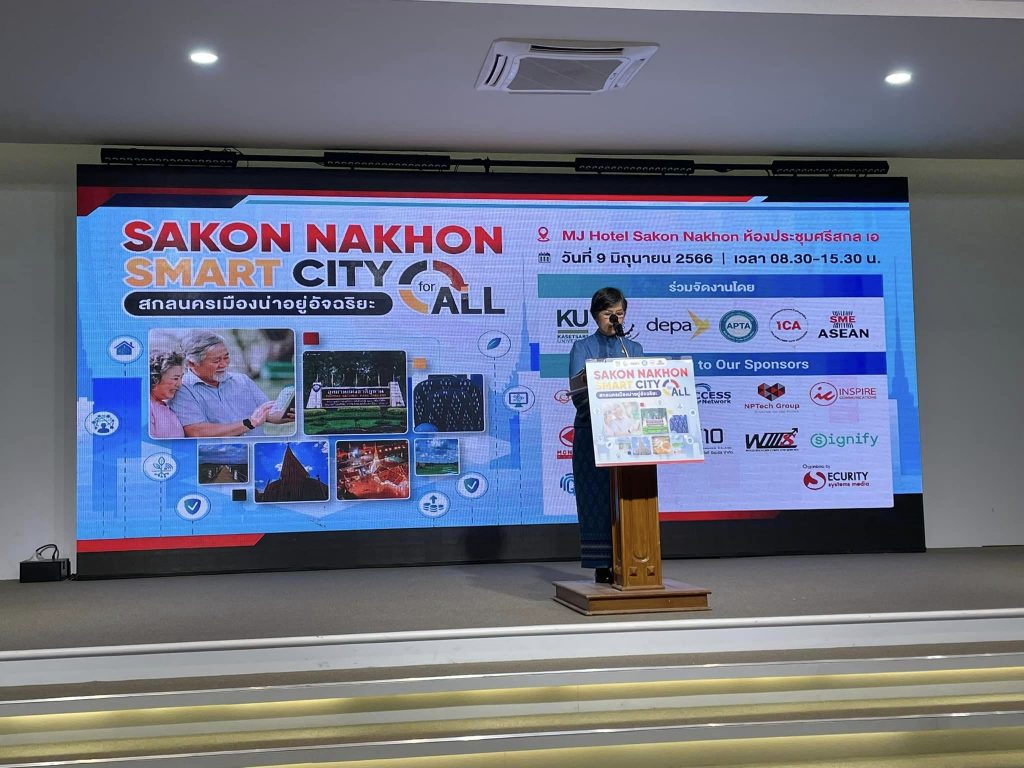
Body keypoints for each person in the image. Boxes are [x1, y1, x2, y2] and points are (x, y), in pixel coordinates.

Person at [568, 287, 643, 584]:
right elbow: (578, 393)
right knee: (596, 497)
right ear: (595, 315)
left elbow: (645, 391)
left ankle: (635, 556)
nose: (614, 319)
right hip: (592, 433)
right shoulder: (582, 347)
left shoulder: (633, 349)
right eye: (607, 313)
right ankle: (602, 562)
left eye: (619, 313)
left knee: (631, 494)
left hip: (632, 436)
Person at [169, 330, 294, 437]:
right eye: (216, 361)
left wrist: (287, 413)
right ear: (192, 363)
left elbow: (266, 414)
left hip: (258, 450)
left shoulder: (242, 380)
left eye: (226, 357)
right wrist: (249, 423)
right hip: (221, 456)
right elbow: (196, 431)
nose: (224, 364)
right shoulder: (182, 388)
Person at [149, 351, 186, 438]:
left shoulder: (168, 406)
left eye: (181, 378)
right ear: (156, 379)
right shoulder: (147, 408)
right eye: (175, 378)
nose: (179, 384)